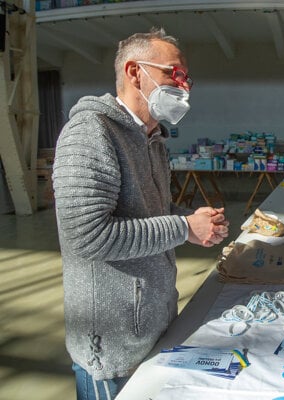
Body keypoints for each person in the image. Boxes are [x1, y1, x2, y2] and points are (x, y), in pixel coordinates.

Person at [53, 28, 230, 400]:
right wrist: (182, 227)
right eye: (173, 74)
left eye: (186, 78)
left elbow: (155, 212)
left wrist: (192, 224)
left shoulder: (153, 142)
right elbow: (87, 236)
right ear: (135, 72)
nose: (184, 86)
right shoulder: (89, 133)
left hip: (154, 326)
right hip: (113, 349)